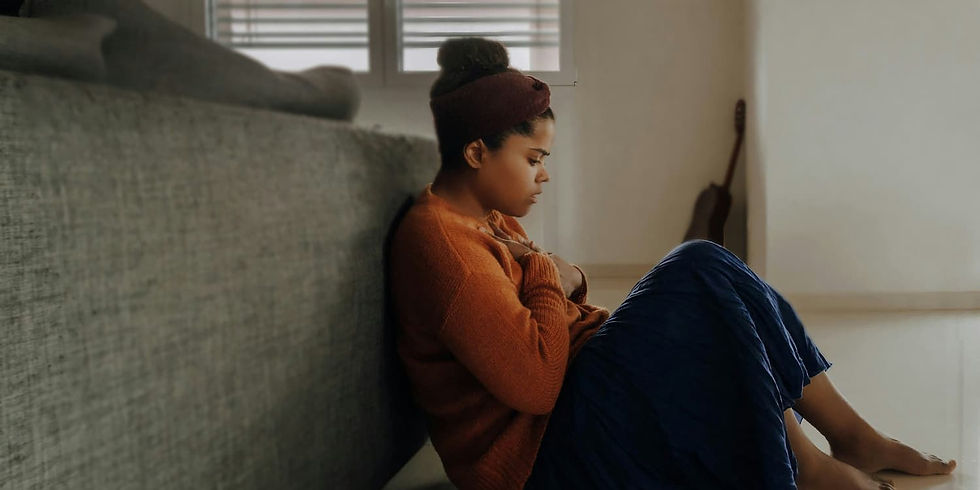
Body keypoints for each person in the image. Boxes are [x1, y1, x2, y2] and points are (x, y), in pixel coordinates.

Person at [387, 37, 957, 490]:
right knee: (696, 270)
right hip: (541, 457)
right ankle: (807, 464)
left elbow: (554, 304)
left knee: (703, 268)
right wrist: (544, 272)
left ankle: (851, 436)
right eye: (534, 159)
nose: (544, 175)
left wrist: (573, 279)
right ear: (476, 152)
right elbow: (535, 385)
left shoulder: (485, 216)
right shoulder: (442, 247)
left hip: (570, 406)